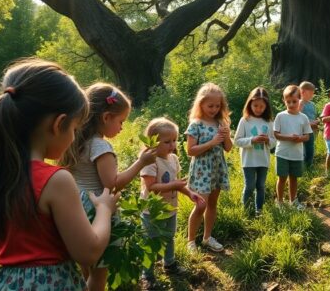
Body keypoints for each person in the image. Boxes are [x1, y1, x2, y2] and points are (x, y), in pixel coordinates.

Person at [0, 59, 119, 291]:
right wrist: (104, 210)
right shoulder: (56, 180)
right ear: (59, 124)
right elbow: (88, 252)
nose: (74, 137)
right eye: (75, 129)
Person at [61, 83, 157, 291]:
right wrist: (141, 162)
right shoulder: (100, 146)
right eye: (121, 121)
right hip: (97, 209)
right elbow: (111, 183)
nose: (122, 127)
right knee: (99, 273)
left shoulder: (75, 142)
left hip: (76, 206)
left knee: (86, 266)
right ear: (106, 117)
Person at [140, 117, 205, 289]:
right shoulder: (150, 161)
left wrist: (190, 193)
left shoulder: (173, 159)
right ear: (153, 141)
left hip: (170, 209)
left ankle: (169, 264)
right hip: (152, 212)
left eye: (175, 140)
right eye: (167, 141)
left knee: (169, 237)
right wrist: (173, 185)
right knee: (151, 242)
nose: (172, 145)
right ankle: (147, 274)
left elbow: (178, 183)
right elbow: (151, 187)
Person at [185, 82, 233, 252]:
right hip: (201, 170)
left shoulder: (220, 122)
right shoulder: (196, 124)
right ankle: (191, 241)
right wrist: (211, 143)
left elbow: (228, 148)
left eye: (217, 105)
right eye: (210, 105)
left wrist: (226, 135)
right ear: (201, 104)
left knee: (213, 204)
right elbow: (190, 151)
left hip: (217, 169)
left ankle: (207, 238)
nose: (214, 109)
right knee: (200, 205)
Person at [233, 87, 276, 215]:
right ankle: (246, 211)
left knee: (261, 186)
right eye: (255, 105)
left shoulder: (268, 121)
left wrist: (268, 140)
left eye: (261, 106)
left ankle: (259, 211)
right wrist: (252, 140)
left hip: (263, 160)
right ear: (249, 104)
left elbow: (274, 141)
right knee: (250, 186)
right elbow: (237, 141)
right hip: (249, 161)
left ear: (266, 107)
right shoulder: (245, 120)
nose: (258, 109)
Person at [273, 84, 312, 209]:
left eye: (294, 101)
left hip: (297, 154)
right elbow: (276, 134)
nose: (291, 104)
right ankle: (279, 201)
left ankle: (293, 201)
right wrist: (289, 137)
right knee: (282, 177)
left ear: (300, 100)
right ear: (284, 101)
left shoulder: (303, 118)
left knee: (294, 178)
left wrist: (299, 138)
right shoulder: (280, 116)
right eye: (288, 101)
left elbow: (307, 136)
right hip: (282, 153)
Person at [299, 81, 319, 170]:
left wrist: (317, 121)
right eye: (310, 93)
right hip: (302, 131)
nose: (312, 95)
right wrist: (310, 123)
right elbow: (297, 118)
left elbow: (313, 116)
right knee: (302, 149)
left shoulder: (312, 104)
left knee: (310, 148)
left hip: (311, 131)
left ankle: (309, 166)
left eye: (313, 93)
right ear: (302, 92)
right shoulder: (300, 104)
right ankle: (302, 167)